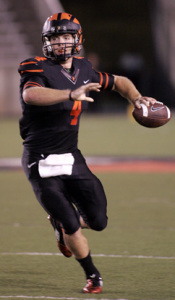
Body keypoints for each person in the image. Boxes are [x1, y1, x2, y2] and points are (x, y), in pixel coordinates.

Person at [18, 12, 156, 294]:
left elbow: (119, 81)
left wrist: (137, 98)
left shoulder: (83, 68)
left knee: (99, 222)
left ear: (76, 40)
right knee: (72, 224)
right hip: (40, 160)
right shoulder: (35, 66)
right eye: (54, 38)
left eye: (66, 37)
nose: (60, 43)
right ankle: (93, 275)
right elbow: (31, 95)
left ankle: (60, 223)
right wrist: (70, 94)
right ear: (46, 42)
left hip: (70, 156)